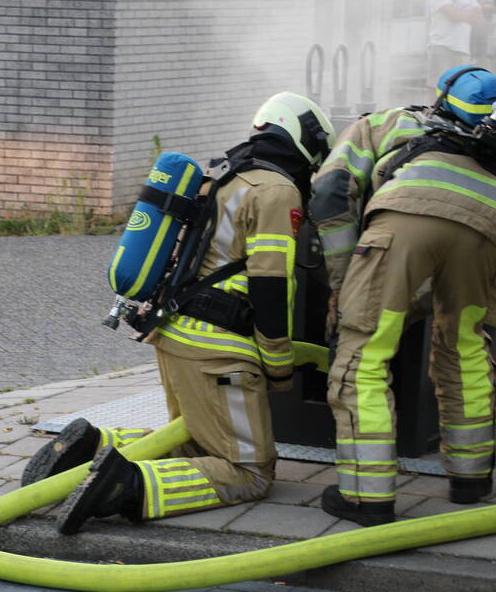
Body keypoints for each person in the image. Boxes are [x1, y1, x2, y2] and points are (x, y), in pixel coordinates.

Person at [20, 92, 336, 534]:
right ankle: (123, 487)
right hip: (220, 350)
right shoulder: (277, 190)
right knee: (249, 471)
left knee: (196, 445)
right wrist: (280, 362)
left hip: (175, 332)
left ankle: (92, 449)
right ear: (304, 140)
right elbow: (271, 283)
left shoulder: (223, 173)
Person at [310, 66, 496, 527]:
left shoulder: (389, 122)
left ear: (442, 97)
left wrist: (343, 279)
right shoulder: (495, 156)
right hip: (493, 225)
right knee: (465, 346)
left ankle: (366, 497)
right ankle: (471, 479)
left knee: (365, 355)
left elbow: (331, 189)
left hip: (406, 221)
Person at [427, 0, 486, 95]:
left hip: (462, 48)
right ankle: (431, 115)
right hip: (441, 46)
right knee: (437, 86)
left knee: (459, 89)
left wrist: (463, 15)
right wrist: (467, 15)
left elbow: (480, 19)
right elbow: (452, 15)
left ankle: (452, 116)